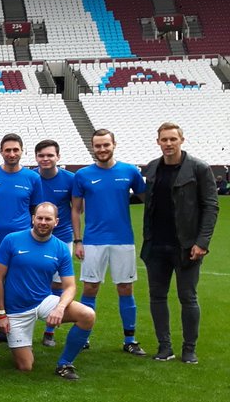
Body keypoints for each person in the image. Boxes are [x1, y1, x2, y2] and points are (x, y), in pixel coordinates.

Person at [140, 122, 219, 364]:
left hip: (187, 246)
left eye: (173, 139)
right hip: (156, 246)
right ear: (158, 142)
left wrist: (202, 242)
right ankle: (165, 347)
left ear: (181, 140)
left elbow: (211, 206)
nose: (168, 143)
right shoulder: (153, 168)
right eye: (164, 139)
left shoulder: (199, 168)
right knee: (157, 297)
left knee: (188, 297)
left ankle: (189, 348)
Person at [0, 203, 95, 380]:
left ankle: (64, 364)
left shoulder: (61, 248)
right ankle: (20, 342)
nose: (43, 222)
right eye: (39, 218)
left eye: (48, 219)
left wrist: (60, 307)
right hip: (16, 310)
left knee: (87, 315)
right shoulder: (11, 240)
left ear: (56, 222)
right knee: (25, 366)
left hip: (43, 301)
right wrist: (1, 313)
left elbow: (70, 286)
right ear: (33, 219)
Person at [71, 128, 147, 355]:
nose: (102, 149)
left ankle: (130, 339)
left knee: (125, 287)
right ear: (92, 147)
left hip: (123, 240)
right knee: (90, 288)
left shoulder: (130, 171)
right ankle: (84, 335)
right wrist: (78, 240)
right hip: (93, 241)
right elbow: (75, 210)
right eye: (98, 146)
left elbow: (147, 200)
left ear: (114, 144)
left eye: (106, 145)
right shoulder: (83, 175)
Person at [0, 134, 43, 280]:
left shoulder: (33, 178)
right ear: (1, 151)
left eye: (16, 150)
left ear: (22, 151)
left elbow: (35, 210)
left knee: (18, 288)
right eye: (7, 150)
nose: (12, 154)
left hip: (22, 243)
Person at [34, 139, 75, 347]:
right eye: (41, 155)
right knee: (33, 280)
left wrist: (78, 239)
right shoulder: (32, 178)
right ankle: (19, 325)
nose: (46, 159)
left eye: (50, 155)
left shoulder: (70, 179)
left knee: (59, 283)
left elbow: (77, 209)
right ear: (36, 158)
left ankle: (49, 330)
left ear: (58, 157)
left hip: (62, 238)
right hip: (35, 238)